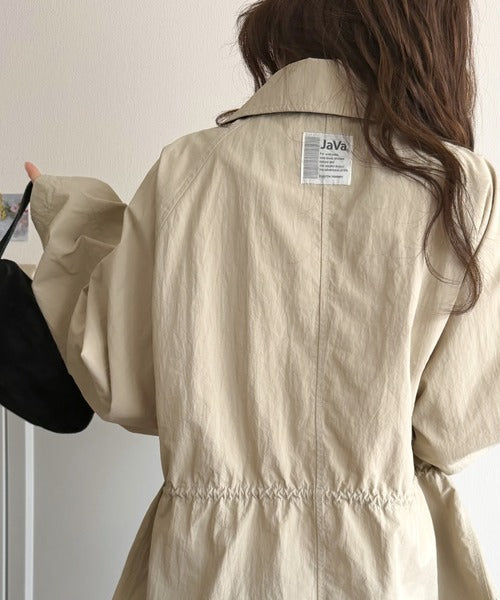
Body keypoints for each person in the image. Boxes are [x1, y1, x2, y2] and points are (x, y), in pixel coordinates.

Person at [24, 0, 500, 598]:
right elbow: (452, 430)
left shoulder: (187, 171)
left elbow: (122, 380)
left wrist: (65, 217)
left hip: (209, 569)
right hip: (379, 569)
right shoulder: (459, 190)